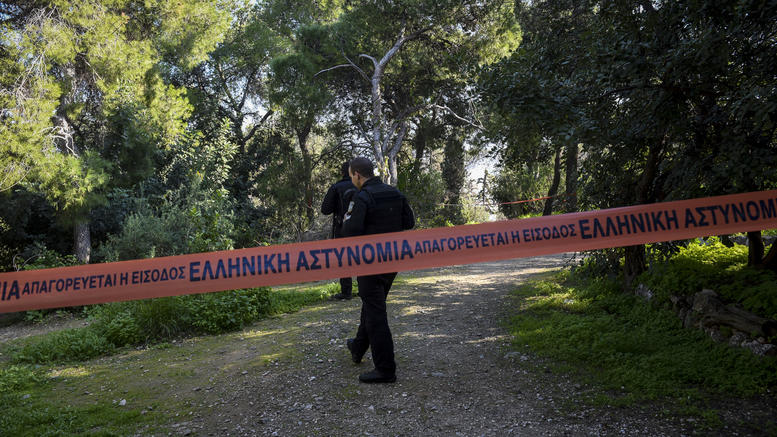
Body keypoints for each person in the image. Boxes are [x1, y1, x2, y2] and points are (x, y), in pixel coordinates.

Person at [342, 157, 415, 383]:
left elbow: (351, 230)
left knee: (375, 312)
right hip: (392, 261)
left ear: (357, 174)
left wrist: (348, 214)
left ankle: (385, 369)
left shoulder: (362, 197)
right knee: (373, 303)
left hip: (370, 263)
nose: (351, 179)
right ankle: (357, 347)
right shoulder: (395, 193)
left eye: (350, 175)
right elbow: (409, 222)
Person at [321, 161, 357, 300]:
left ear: (342, 172)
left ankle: (346, 291)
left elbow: (325, 209)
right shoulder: (363, 186)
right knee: (364, 256)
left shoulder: (336, 187)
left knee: (344, 259)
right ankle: (365, 288)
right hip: (363, 227)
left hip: (342, 228)